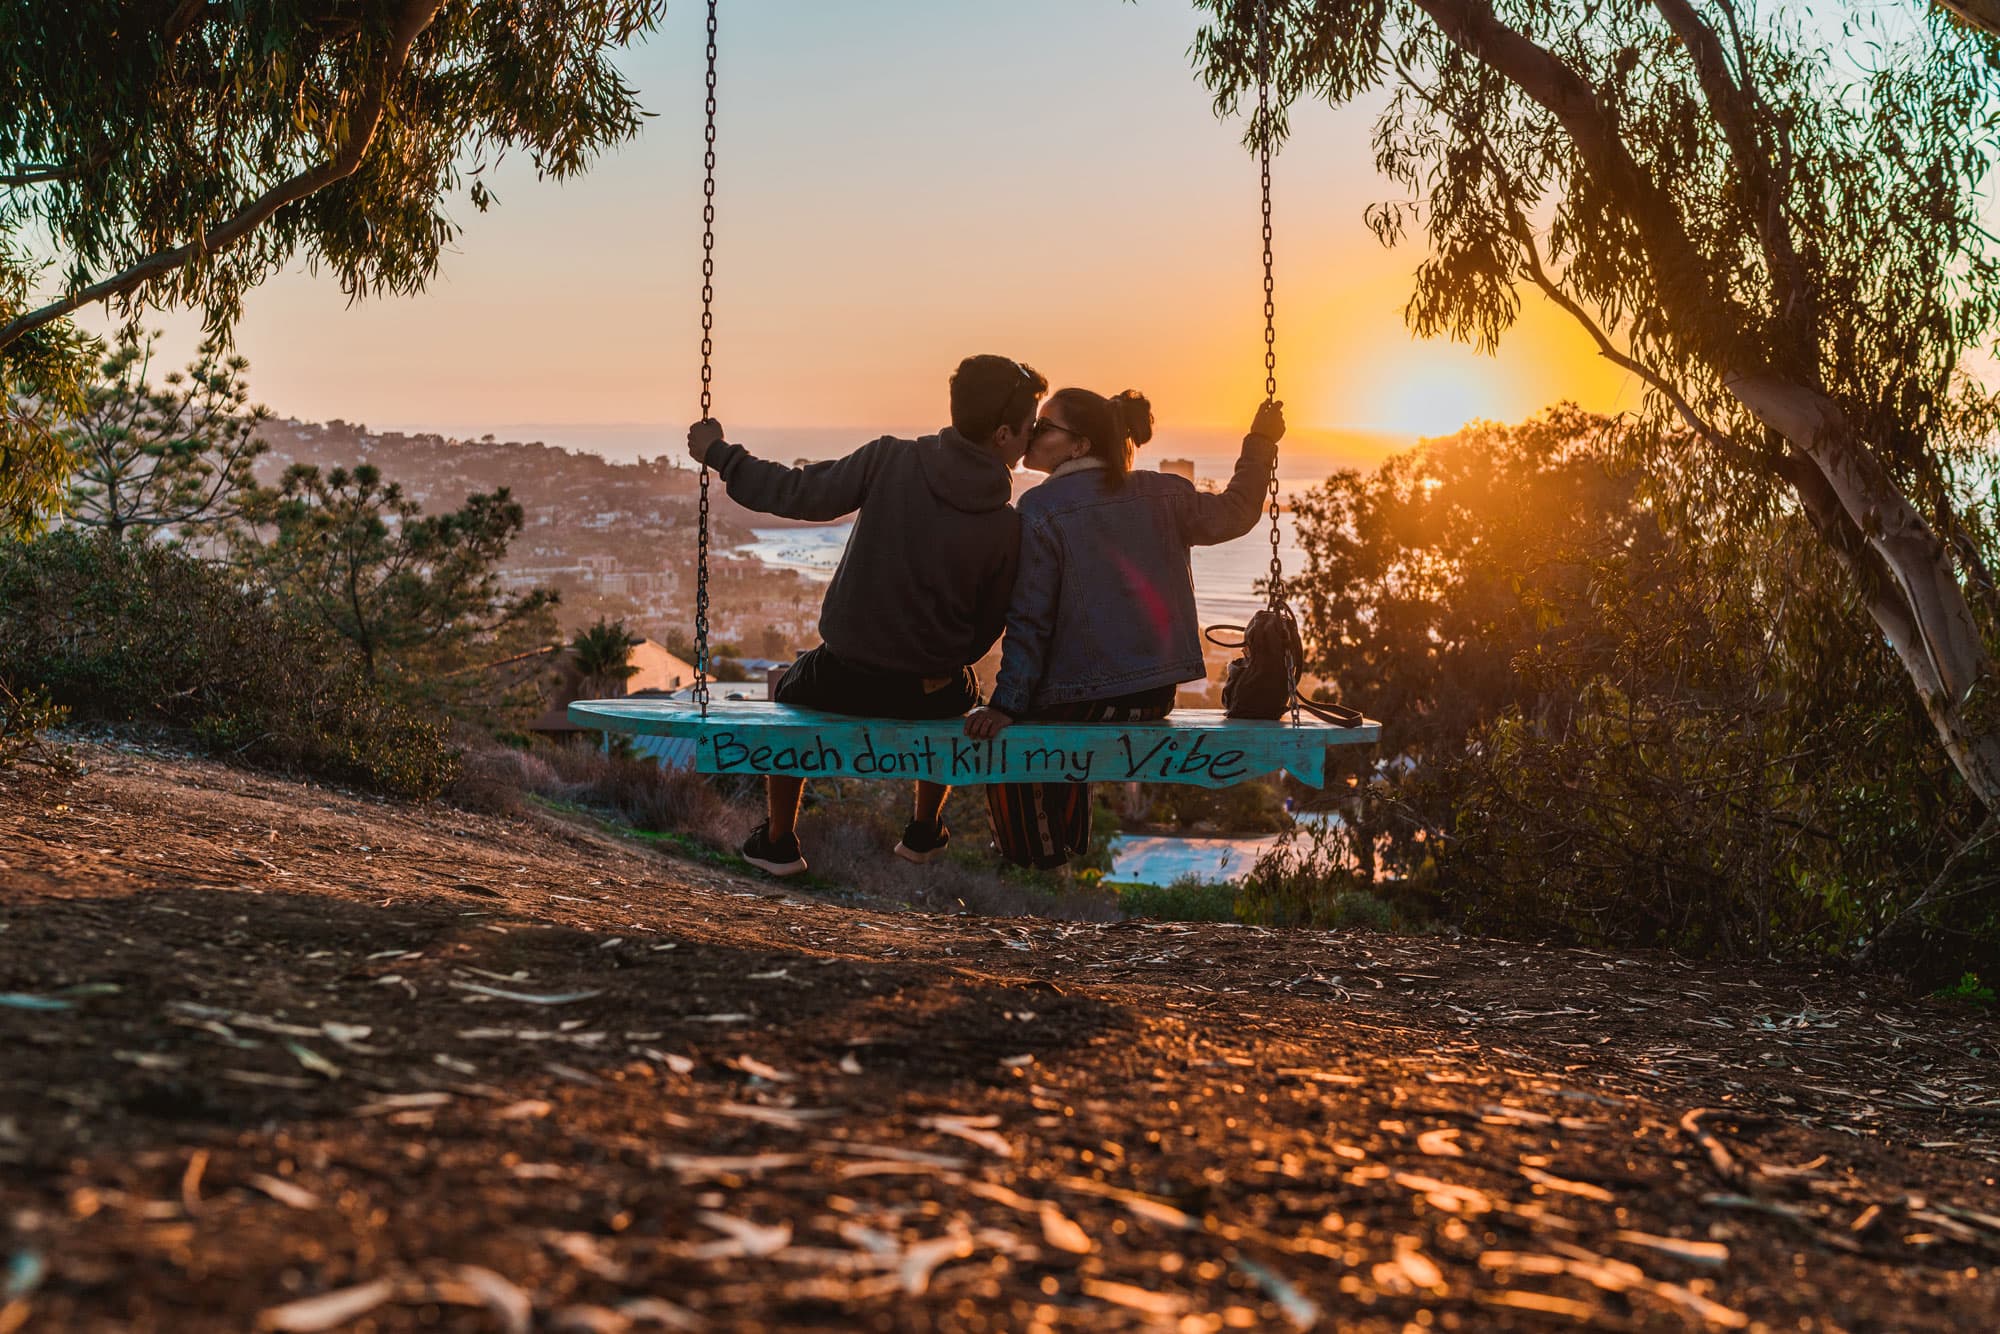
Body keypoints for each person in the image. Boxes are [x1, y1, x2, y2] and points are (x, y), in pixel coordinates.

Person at [685, 355, 1045, 876]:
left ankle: (780, 841)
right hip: (930, 692)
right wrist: (938, 654)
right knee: (961, 694)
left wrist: (720, 454)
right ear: (1004, 434)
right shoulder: (1006, 526)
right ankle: (924, 829)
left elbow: (797, 492)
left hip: (843, 676)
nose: (1031, 444)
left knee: (789, 689)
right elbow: (988, 628)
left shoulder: (889, 459)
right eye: (1029, 432)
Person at [965, 390, 1285, 868]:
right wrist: (1259, 441)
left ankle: (1038, 849)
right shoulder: (1164, 492)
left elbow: (1030, 619)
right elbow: (1239, 510)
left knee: (1015, 731)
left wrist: (1005, 704)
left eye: (1045, 427)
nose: (1032, 434)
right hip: (1154, 698)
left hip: (1083, 701)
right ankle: (1065, 839)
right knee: (1052, 709)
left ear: (1079, 446)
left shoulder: (1039, 508)